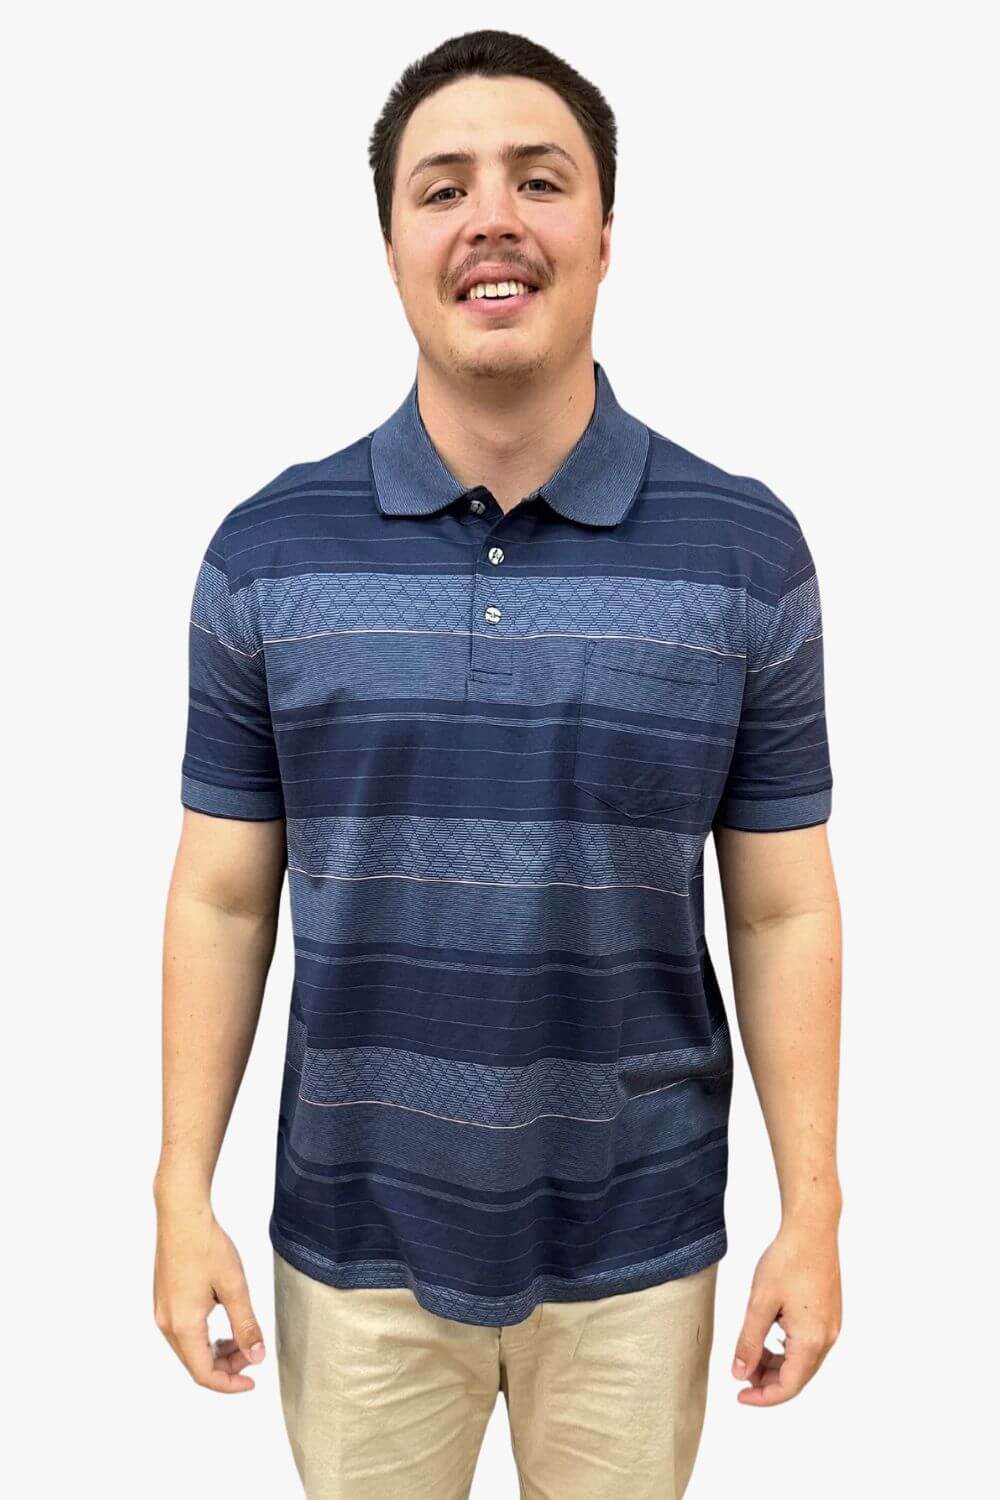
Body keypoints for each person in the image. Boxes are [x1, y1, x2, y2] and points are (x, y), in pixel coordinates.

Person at [153, 27, 843, 1499]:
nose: (492, 220)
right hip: (352, 1248)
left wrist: (814, 1210)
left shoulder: (745, 551)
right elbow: (222, 896)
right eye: (442, 187)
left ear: (604, 230)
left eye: (539, 179)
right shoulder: (266, 554)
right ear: (392, 245)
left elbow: (784, 906)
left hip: (641, 1249)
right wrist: (177, 1190)